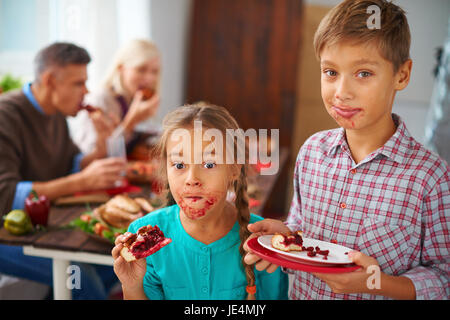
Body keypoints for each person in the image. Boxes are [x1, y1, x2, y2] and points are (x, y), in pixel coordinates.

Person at [244, 0, 449, 300]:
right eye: (330, 72)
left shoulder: (430, 177)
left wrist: (376, 283)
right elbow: (301, 229)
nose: (342, 92)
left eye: (363, 73)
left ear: (402, 75)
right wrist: (285, 238)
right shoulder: (312, 152)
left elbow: (444, 278)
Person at [112, 103, 288, 300]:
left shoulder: (262, 239)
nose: (191, 178)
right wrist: (132, 285)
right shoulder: (143, 233)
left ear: (234, 168)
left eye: (209, 164)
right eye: (179, 164)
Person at [0, 42, 127, 299]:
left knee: (117, 259)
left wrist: (101, 146)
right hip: (7, 231)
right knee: (79, 273)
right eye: (78, 83)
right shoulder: (6, 114)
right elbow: (5, 193)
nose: (86, 91)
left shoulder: (55, 112)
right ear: (49, 80)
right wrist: (80, 181)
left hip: (39, 225)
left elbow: (71, 164)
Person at [68, 39, 161, 155]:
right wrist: (131, 122)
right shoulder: (100, 100)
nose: (149, 78)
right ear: (121, 69)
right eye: (141, 70)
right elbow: (90, 154)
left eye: (154, 72)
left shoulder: (134, 99)